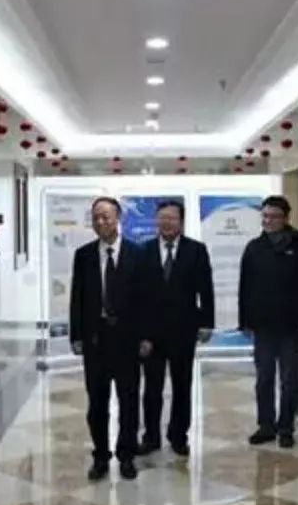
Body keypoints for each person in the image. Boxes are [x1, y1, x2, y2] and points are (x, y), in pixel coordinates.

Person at [70, 197, 145, 480]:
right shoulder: (84, 255)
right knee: (97, 403)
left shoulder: (138, 254)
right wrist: (77, 335)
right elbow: (77, 298)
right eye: (96, 217)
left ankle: (127, 455)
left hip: (127, 340)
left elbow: (147, 300)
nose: (101, 222)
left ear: (118, 218)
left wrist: (146, 337)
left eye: (106, 216)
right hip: (96, 340)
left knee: (128, 401)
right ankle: (101, 455)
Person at [238, 195, 298, 448]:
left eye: (274, 216)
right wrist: (245, 321)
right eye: (265, 216)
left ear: (286, 218)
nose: (268, 221)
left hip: (291, 325)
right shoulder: (254, 247)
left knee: (289, 380)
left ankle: (286, 428)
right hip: (263, 324)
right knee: (264, 378)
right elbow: (245, 287)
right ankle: (266, 425)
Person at [137, 200, 215, 457]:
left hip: (184, 330)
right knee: (152, 388)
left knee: (182, 386)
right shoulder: (144, 250)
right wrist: (141, 334)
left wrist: (207, 323)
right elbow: (137, 296)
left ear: (181, 221)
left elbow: (206, 290)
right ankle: (151, 437)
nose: (166, 222)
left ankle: (179, 436)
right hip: (152, 334)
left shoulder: (196, 250)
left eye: (171, 218)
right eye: (162, 218)